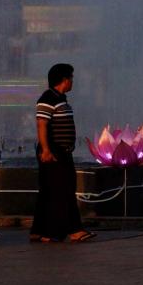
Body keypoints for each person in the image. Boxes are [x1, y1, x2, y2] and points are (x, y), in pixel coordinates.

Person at [30, 64, 92, 243]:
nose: (72, 81)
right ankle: (70, 231)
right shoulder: (48, 98)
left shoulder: (60, 99)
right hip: (53, 151)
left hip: (61, 151)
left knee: (49, 191)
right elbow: (41, 124)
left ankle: (40, 231)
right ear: (64, 80)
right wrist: (46, 150)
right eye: (71, 77)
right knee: (63, 190)